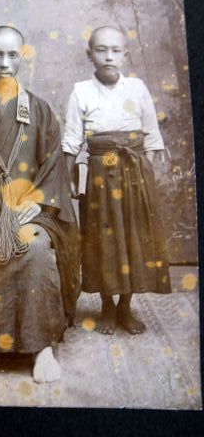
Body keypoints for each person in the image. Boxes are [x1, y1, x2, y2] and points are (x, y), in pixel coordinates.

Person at [0, 26, 80, 383]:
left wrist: (38, 203)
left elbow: (54, 166)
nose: (5, 62)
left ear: (22, 56)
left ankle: (41, 348)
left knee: (36, 248)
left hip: (30, 209)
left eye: (13, 55)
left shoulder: (39, 110)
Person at [62, 25, 171, 335]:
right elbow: (71, 141)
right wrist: (69, 181)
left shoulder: (137, 88)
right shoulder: (81, 91)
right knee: (103, 240)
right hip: (99, 177)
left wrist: (144, 175)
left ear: (125, 54)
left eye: (115, 50)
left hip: (135, 175)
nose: (108, 56)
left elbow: (151, 136)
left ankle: (125, 306)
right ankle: (107, 306)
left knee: (133, 238)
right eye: (101, 50)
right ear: (90, 55)